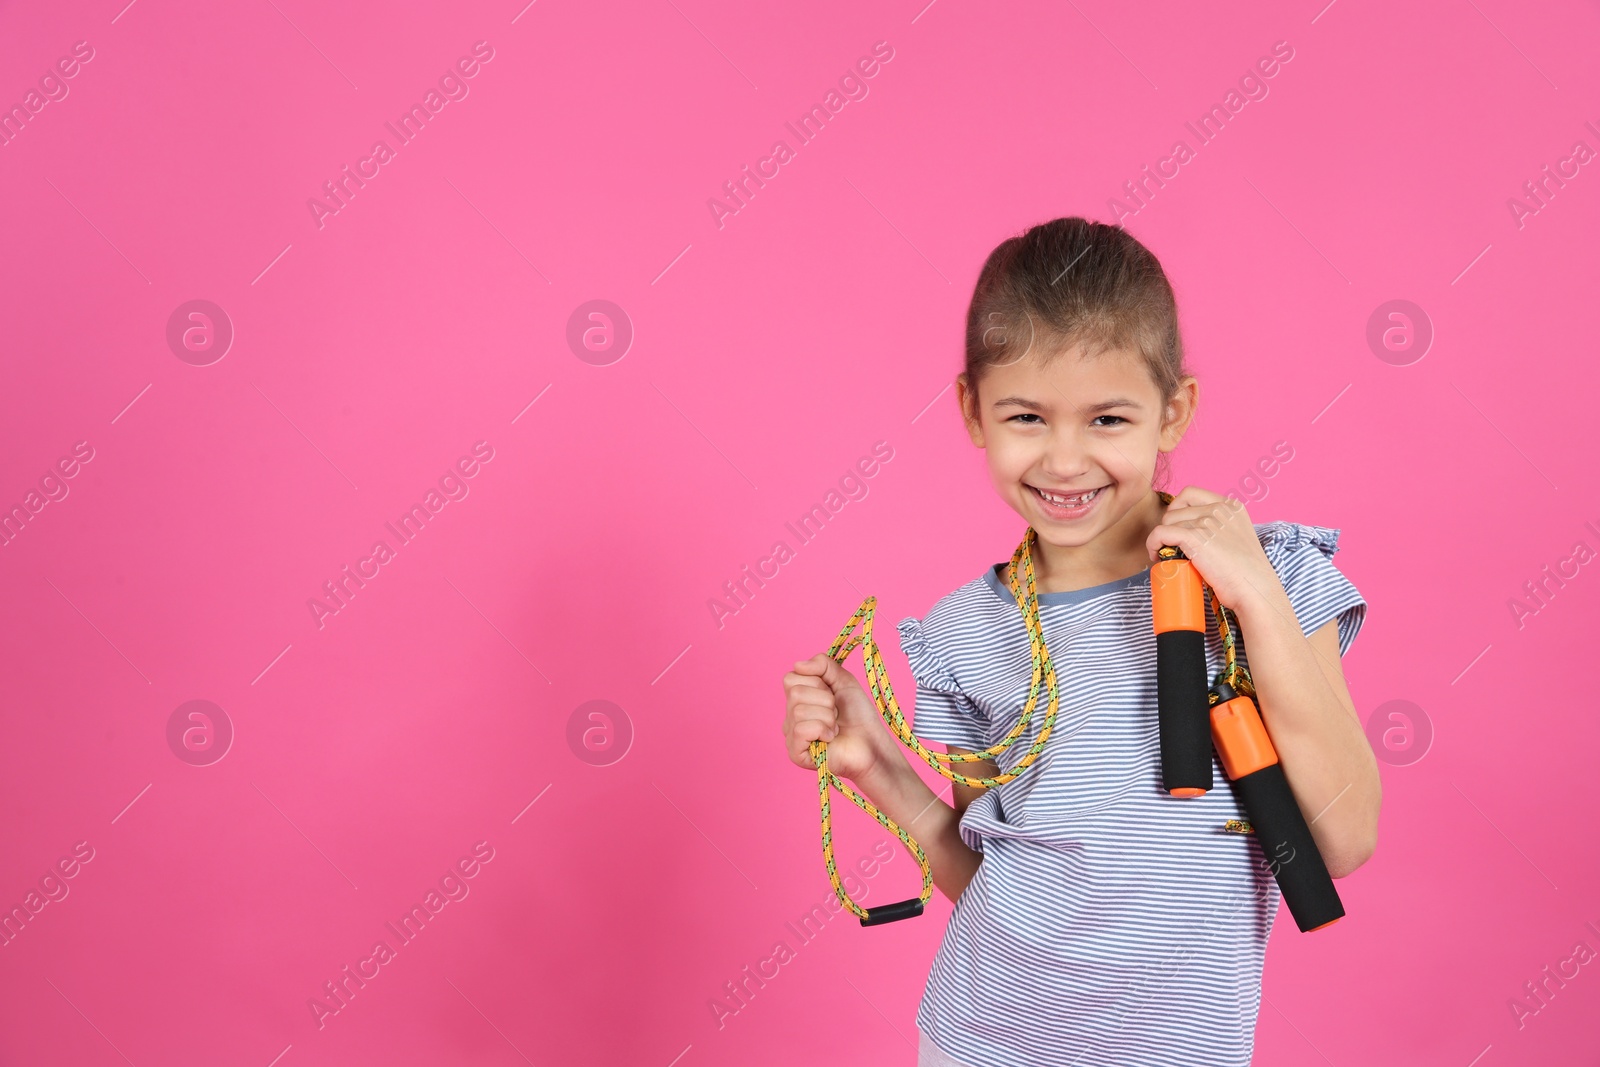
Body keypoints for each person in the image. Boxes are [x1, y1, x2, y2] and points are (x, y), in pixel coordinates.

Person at [780, 217, 1380, 1066]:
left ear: (1173, 413)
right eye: (1026, 415)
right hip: (981, 1039)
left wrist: (1252, 593)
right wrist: (876, 765)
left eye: (1107, 418)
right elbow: (988, 876)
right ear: (973, 412)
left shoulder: (1269, 574)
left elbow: (1346, 837)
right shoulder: (963, 634)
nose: (1065, 461)